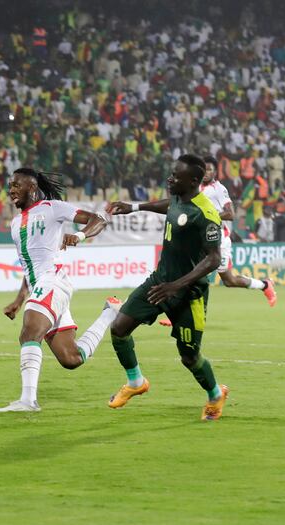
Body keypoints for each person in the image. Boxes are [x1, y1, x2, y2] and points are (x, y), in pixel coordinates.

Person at [106, 154, 229, 420]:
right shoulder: (178, 197)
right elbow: (169, 206)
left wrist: (177, 285)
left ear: (193, 181)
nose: (170, 179)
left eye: (175, 176)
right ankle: (136, 383)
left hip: (189, 294)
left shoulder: (206, 214)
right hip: (159, 282)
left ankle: (215, 395)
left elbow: (214, 259)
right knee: (118, 328)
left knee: (189, 357)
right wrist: (135, 207)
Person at [0, 168, 122, 412]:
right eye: (10, 186)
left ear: (31, 187)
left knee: (29, 332)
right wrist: (19, 299)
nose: (11, 190)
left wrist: (80, 235)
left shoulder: (52, 208)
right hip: (41, 287)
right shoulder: (14, 224)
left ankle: (28, 401)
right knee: (71, 358)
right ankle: (110, 313)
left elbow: (100, 219)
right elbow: (28, 265)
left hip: (53, 280)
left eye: (16, 185)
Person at [158, 155, 276, 327]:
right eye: (204, 169)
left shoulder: (218, 189)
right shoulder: (195, 188)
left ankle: (265, 285)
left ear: (215, 172)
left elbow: (230, 213)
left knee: (228, 280)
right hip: (202, 239)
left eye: (211, 169)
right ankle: (178, 314)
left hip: (218, 240)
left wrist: (207, 218)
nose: (207, 173)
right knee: (190, 273)